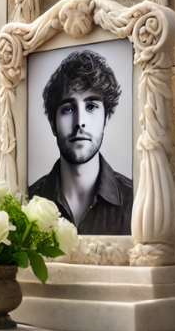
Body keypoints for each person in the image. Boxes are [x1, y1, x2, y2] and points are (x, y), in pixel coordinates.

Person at [28, 50, 133, 235]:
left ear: (106, 118)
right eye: (67, 109)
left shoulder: (136, 199)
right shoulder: (27, 199)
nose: (79, 122)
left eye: (91, 106)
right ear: (53, 123)